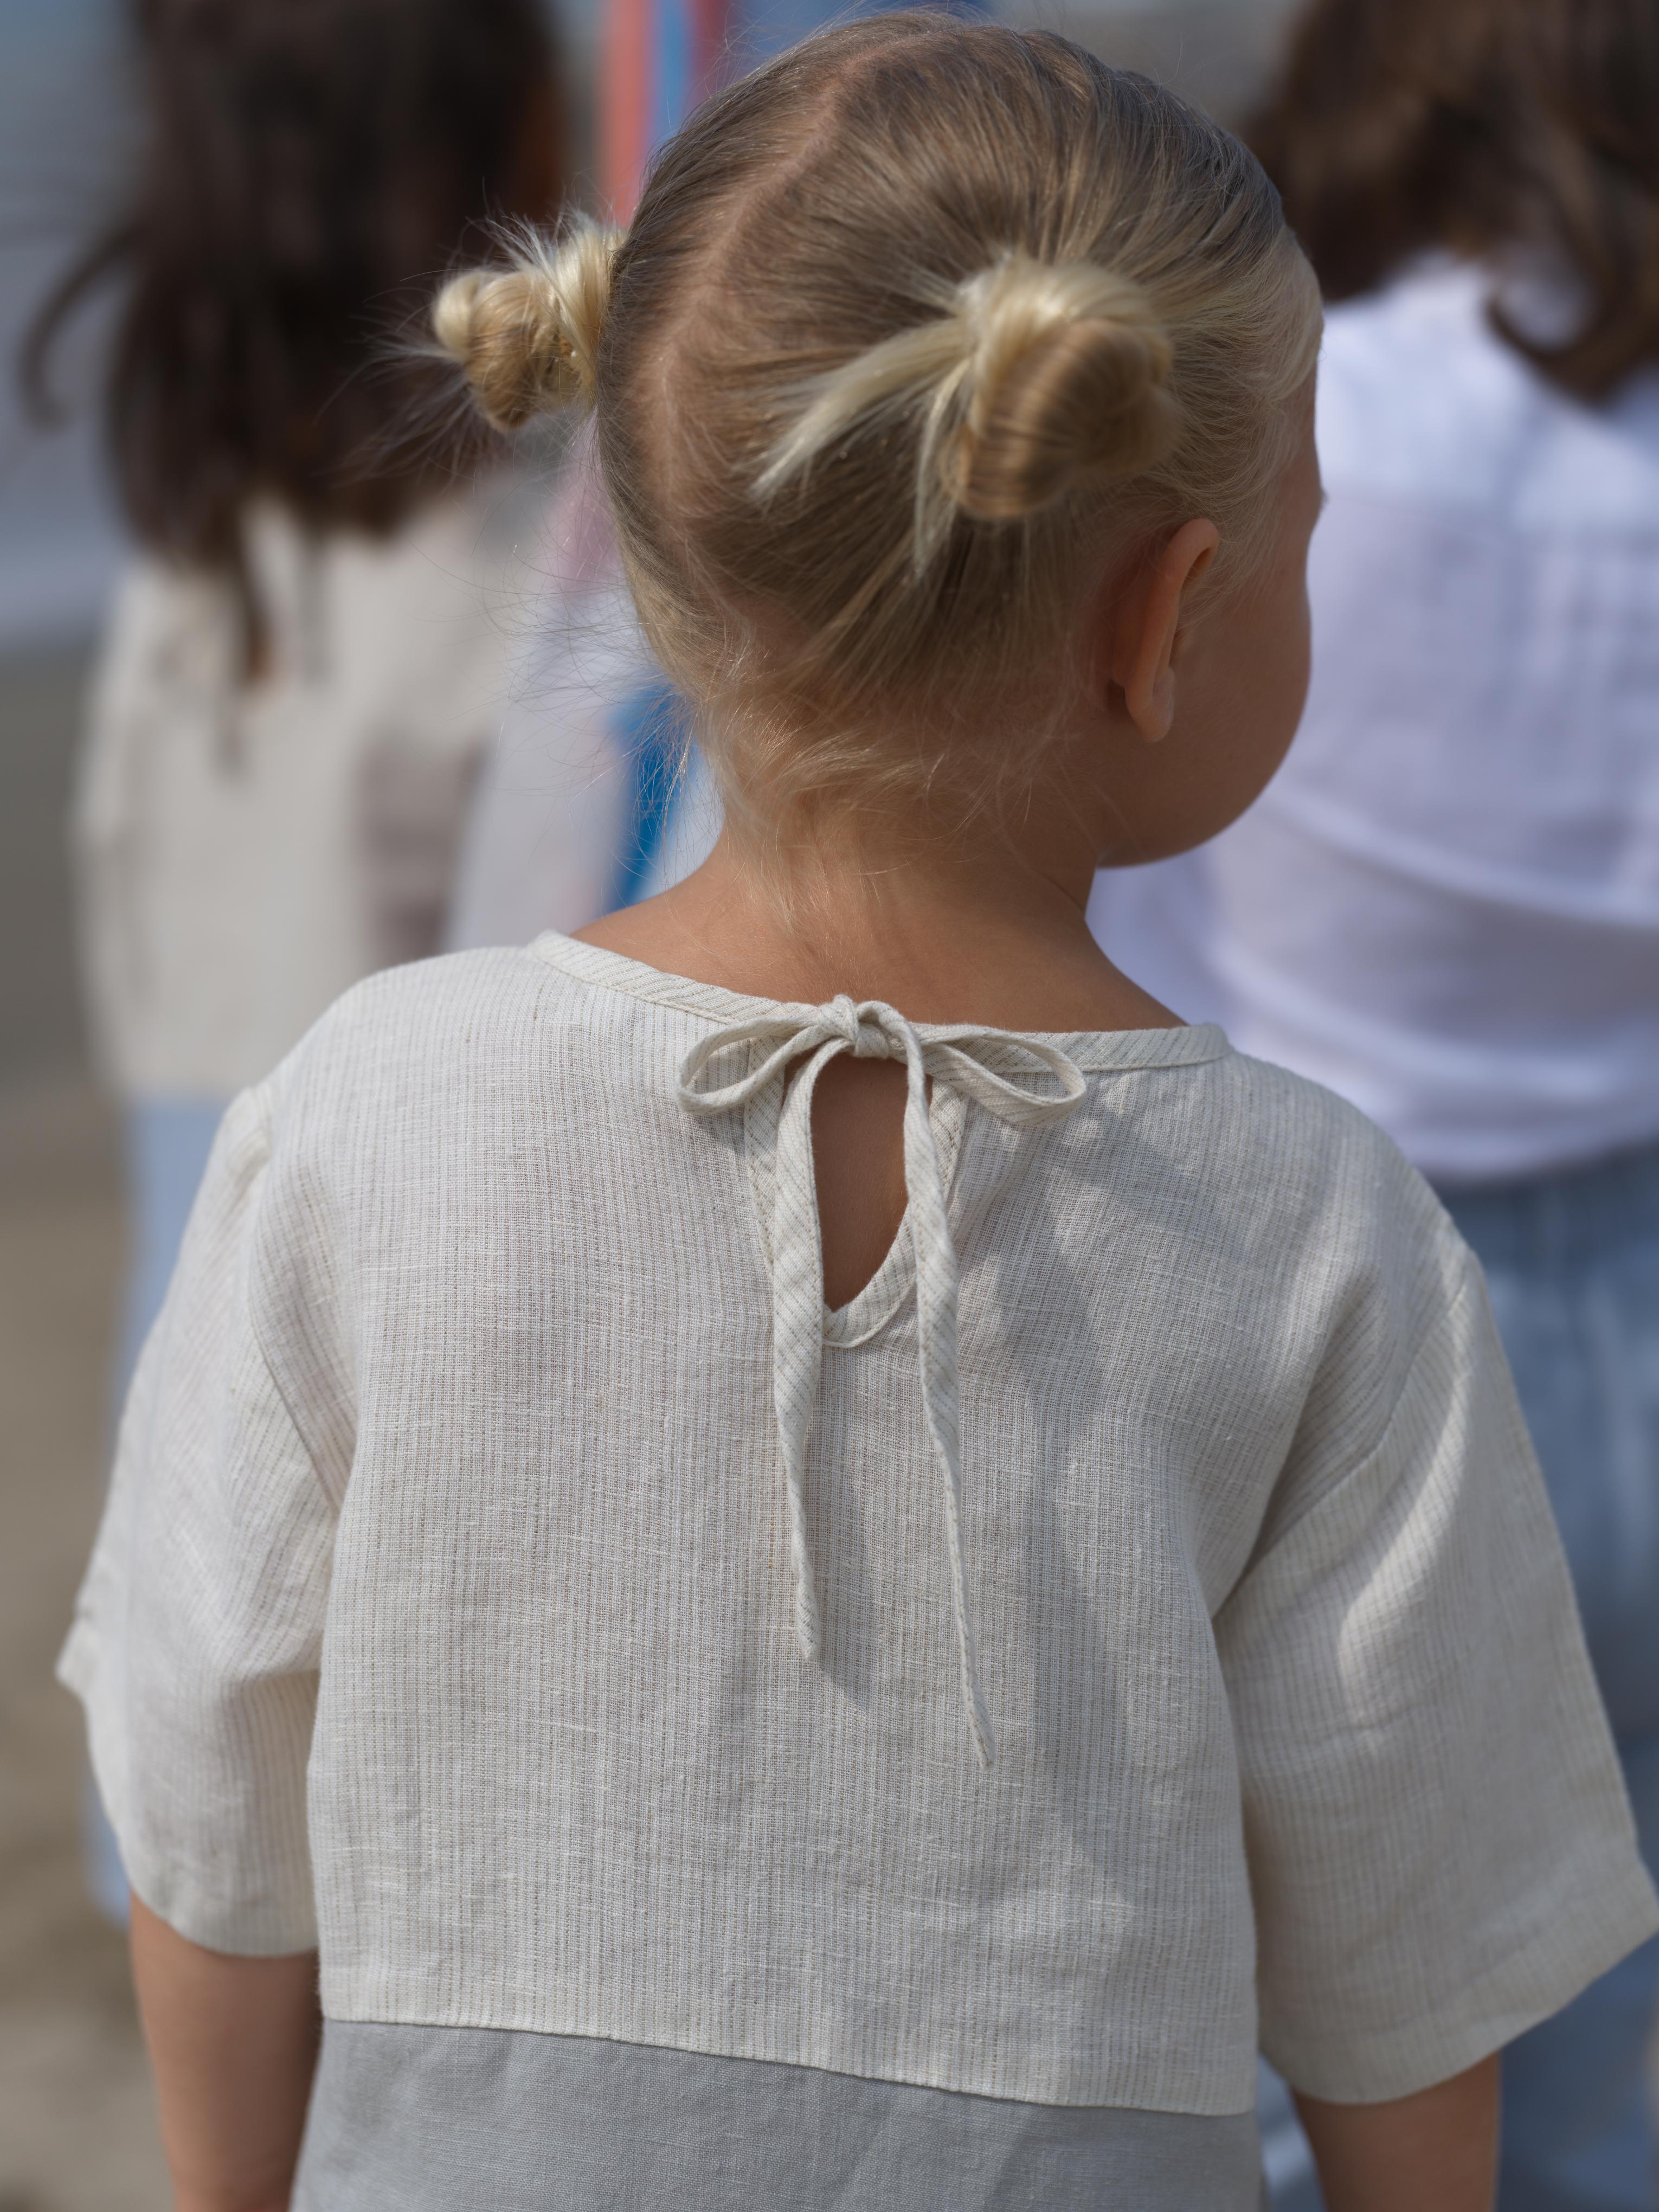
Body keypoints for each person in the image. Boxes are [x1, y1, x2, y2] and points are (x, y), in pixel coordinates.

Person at [59, 18, 1659, 2209]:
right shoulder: (1314, 1232)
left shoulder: (366, 1113)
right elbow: (1415, 1981)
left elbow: (211, 1804)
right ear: (1167, 619)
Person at [1085, 4, 1659, 2204]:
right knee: (1581, 2006)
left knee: (1292, 2050)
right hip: (1631, 1247)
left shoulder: (1316, 408)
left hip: (1322, 1286)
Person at [21, 0, 565, 1424]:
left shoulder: (190, 576)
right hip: (418, 1366)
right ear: (483, 161)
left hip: (185, 1365)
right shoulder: (542, 594)